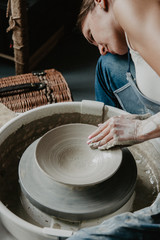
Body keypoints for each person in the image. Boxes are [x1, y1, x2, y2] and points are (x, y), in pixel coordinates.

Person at [76, 0, 160, 151]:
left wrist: (141, 129)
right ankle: (103, 136)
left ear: (100, 1)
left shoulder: (125, 4)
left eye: (91, 36)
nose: (100, 49)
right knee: (107, 63)